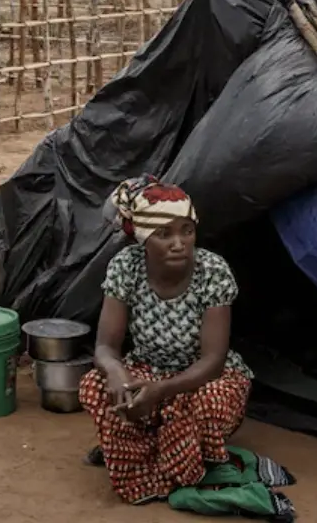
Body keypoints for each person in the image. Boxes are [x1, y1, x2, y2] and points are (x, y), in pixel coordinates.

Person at [78, 176, 254, 505]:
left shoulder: (212, 272)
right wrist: (117, 372)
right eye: (164, 234)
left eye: (187, 230)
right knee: (94, 385)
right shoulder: (125, 268)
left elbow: (213, 361)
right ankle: (150, 455)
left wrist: (161, 390)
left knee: (211, 401)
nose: (179, 243)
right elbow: (105, 347)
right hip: (147, 369)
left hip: (199, 378)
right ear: (143, 239)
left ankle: (154, 452)